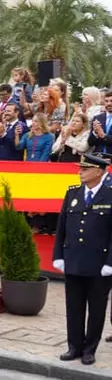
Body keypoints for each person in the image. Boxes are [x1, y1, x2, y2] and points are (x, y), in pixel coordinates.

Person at [53, 154, 112, 365]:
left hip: (99, 263)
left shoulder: (109, 195)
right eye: (80, 168)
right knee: (74, 306)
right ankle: (74, 346)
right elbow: (61, 227)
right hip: (74, 259)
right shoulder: (73, 193)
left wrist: (110, 262)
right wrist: (58, 255)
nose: (80, 172)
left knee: (96, 309)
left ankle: (89, 349)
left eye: (85, 169)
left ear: (99, 171)